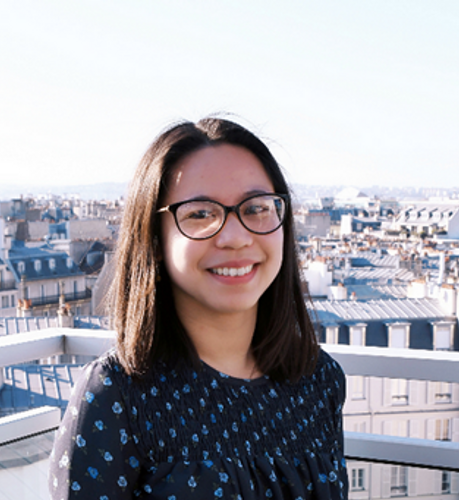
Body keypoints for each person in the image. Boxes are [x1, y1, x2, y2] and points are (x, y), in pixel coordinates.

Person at [48, 117, 348, 499]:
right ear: (154, 239)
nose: (236, 237)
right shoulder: (117, 395)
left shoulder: (319, 381)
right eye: (200, 214)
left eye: (256, 208)